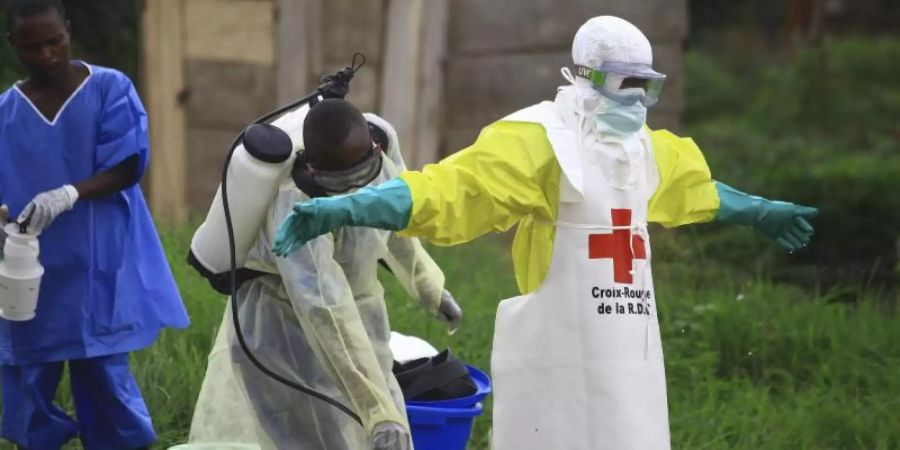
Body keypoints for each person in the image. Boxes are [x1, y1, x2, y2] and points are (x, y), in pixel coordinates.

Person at [271, 16, 819, 450]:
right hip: (558, 358)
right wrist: (350, 207)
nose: (636, 101)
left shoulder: (646, 149)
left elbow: (696, 191)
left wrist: (759, 210)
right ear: (587, 76)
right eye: (626, 84)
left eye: (647, 87)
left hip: (631, 361)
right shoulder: (540, 141)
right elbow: (449, 189)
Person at [189, 99, 462, 450]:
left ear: (373, 147)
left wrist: (428, 285)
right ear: (312, 169)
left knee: (373, 429)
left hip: (360, 316)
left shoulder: (379, 146)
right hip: (284, 331)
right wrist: (379, 412)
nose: (353, 191)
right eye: (340, 182)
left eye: (360, 175)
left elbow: (393, 218)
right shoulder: (295, 206)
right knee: (318, 439)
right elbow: (324, 307)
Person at [0, 1, 189, 449]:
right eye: (31, 46)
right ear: (13, 46)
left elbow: (127, 165)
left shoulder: (108, 88)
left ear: (67, 31)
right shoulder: (6, 111)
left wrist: (69, 193)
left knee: (102, 370)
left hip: (96, 261)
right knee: (27, 371)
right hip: (30, 266)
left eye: (54, 41)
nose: (45, 54)